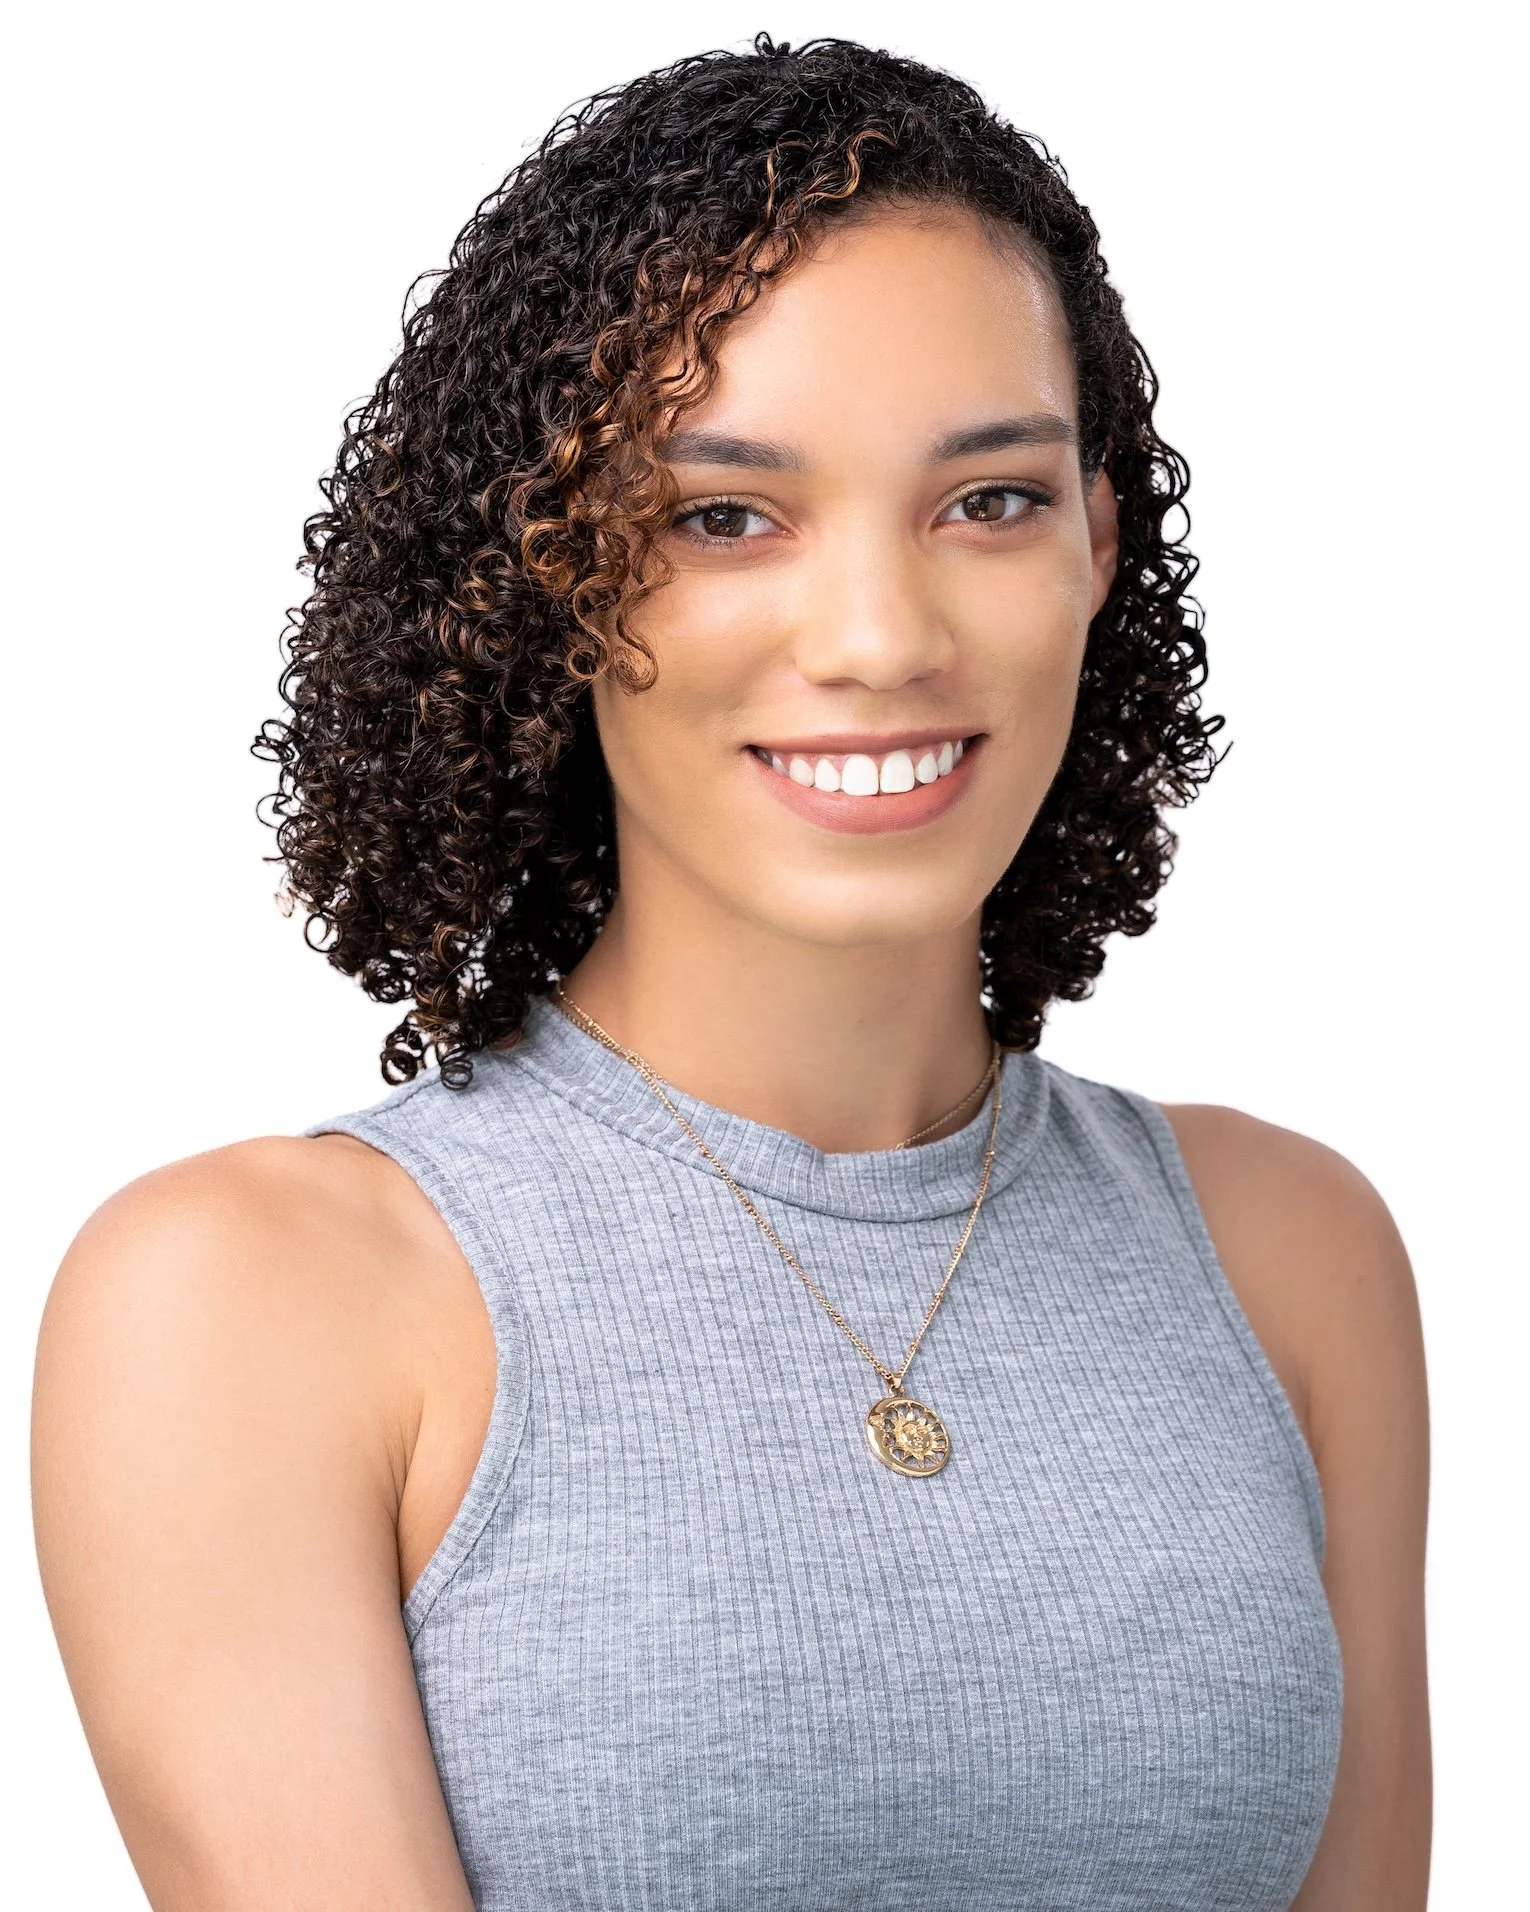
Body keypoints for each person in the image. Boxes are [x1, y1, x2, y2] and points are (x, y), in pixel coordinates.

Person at [31, 35, 1429, 1912]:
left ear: (1100, 543)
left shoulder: (1289, 1252)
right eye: (722, 517)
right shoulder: (249, 1305)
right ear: (550, 572)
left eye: (989, 499)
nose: (875, 636)